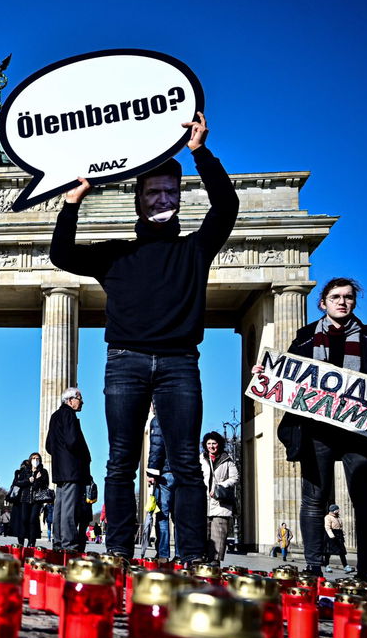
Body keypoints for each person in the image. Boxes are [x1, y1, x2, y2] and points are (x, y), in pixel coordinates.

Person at [50, 113, 238, 566]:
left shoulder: (195, 249)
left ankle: (194, 556)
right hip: (125, 362)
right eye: (153, 192)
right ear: (139, 201)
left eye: (170, 193)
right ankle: (117, 549)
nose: (162, 200)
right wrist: (72, 202)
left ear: (179, 198)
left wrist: (199, 152)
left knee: (187, 465)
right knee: (120, 460)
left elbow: (227, 207)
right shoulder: (117, 254)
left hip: (179, 364)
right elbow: (62, 253)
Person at [271, 277, 367, 580]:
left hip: (360, 433)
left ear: (354, 302)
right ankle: (313, 567)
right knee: (314, 498)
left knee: (365, 500)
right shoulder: (303, 338)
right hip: (317, 430)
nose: (343, 302)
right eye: (336, 297)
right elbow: (286, 378)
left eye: (349, 297)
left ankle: (366, 571)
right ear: (322, 303)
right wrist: (266, 373)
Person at [46, 387, 93, 553]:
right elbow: (73, 441)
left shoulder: (54, 416)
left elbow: (48, 446)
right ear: (70, 400)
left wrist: (60, 457)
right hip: (72, 469)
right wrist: (82, 457)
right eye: (79, 398)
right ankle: (69, 545)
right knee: (69, 509)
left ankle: (58, 543)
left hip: (59, 470)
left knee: (59, 508)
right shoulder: (69, 415)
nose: (82, 402)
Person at [201, 431, 239, 563]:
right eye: (209, 443)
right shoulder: (200, 459)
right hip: (203, 504)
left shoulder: (227, 460)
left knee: (218, 538)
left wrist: (219, 486)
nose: (211, 446)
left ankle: (214, 565)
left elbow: (235, 477)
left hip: (221, 505)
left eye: (214, 443)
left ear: (219, 444)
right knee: (202, 538)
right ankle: (202, 564)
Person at [145, 409, 173, 559]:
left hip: (165, 473)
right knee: (178, 516)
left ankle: (163, 554)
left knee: (162, 515)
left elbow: (156, 447)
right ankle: (181, 555)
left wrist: (152, 472)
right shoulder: (181, 414)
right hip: (181, 472)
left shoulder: (158, 419)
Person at [324, 504, 353, 571]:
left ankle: (345, 566)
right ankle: (327, 565)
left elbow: (340, 527)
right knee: (328, 552)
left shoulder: (338, 517)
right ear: (334, 510)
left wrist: (342, 533)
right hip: (331, 536)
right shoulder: (328, 517)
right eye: (337, 509)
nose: (338, 511)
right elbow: (327, 527)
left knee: (342, 552)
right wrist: (332, 536)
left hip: (338, 535)